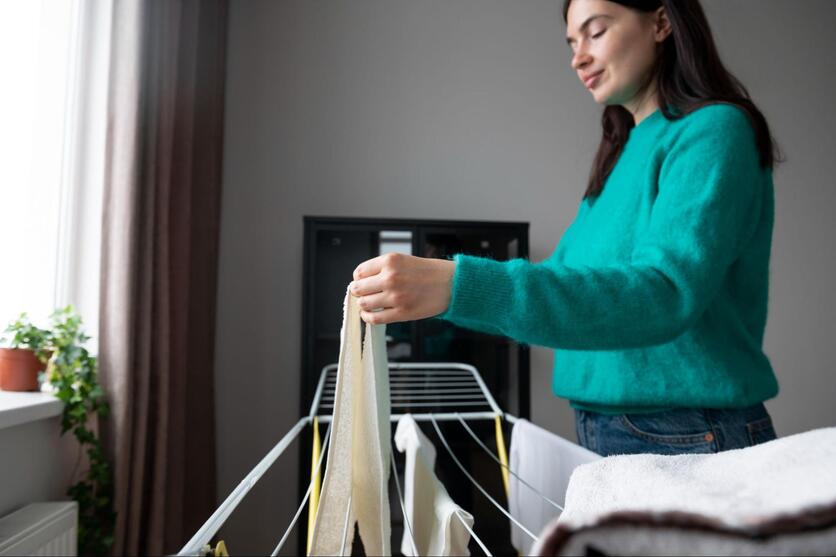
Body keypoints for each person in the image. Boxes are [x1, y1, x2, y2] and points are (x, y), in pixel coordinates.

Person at [348, 0, 783, 457]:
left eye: (595, 33)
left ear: (660, 22)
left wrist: (456, 284)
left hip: (689, 430)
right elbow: (563, 279)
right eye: (573, 43)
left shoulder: (713, 129)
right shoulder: (622, 152)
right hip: (613, 425)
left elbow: (664, 293)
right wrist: (436, 293)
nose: (578, 57)